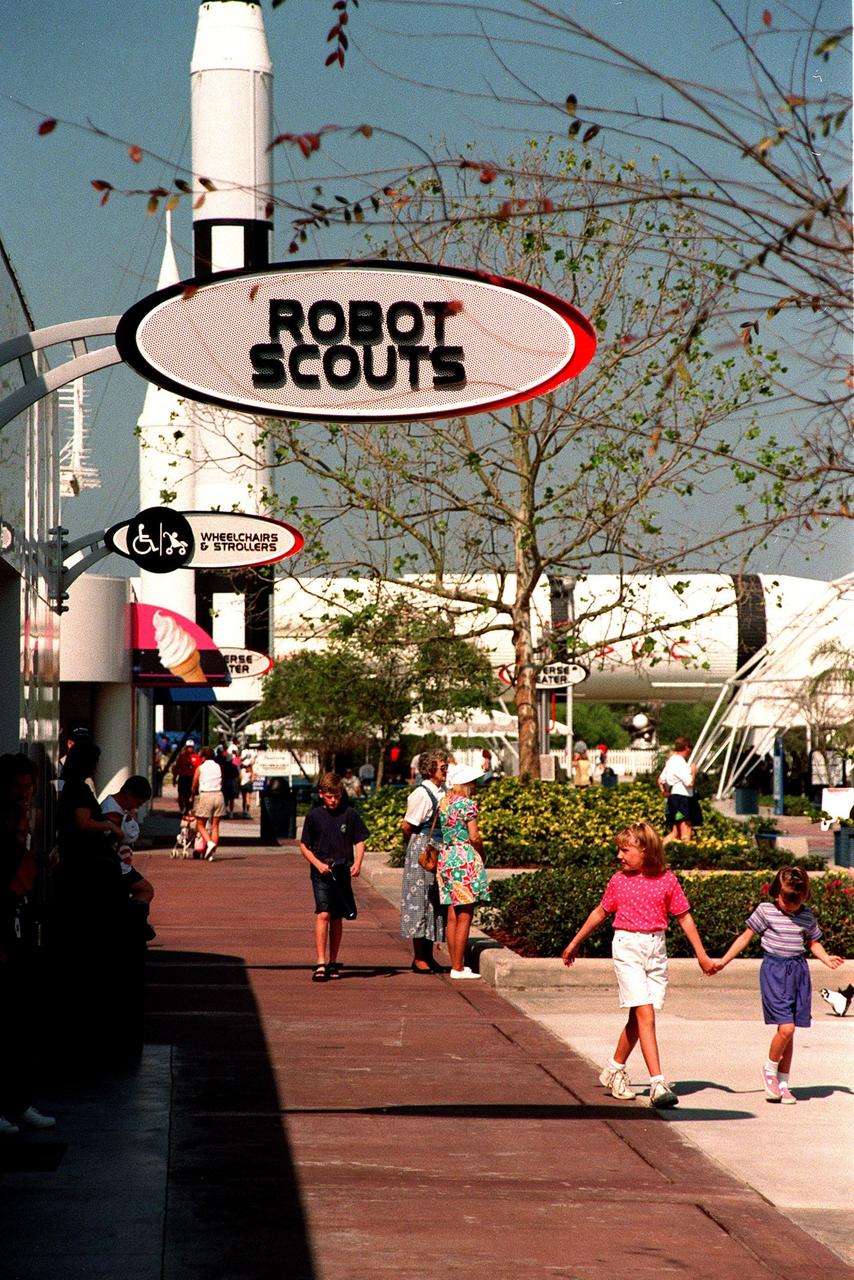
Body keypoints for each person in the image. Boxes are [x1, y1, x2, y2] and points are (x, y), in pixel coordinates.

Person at [561, 821, 715, 1107]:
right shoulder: (619, 881)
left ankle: (614, 1069)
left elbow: (684, 917)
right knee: (646, 1015)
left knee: (638, 1017)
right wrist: (575, 942)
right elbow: (600, 912)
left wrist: (702, 955)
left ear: (645, 850)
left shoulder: (668, 880)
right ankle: (658, 1084)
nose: (619, 856)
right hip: (627, 948)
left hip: (656, 950)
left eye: (625, 850)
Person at [713, 866, 843, 1104]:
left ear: (803, 896)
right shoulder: (766, 911)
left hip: (798, 972)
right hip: (775, 972)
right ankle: (769, 1070)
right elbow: (745, 937)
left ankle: (783, 1082)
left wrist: (826, 958)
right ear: (776, 893)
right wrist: (723, 961)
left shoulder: (806, 915)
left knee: (790, 1030)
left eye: (795, 900)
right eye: (786, 899)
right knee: (787, 1028)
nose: (790, 905)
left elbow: (813, 942)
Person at [0, 755, 56, 1134]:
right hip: (4, 927)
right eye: (18, 787)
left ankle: (17, 1104)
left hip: (18, 926)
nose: (25, 794)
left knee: (19, 1024)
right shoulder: (5, 828)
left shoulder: (24, 825)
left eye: (29, 787)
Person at [299, 772, 367, 982]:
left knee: (337, 916)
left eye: (336, 796)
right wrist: (318, 864)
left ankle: (333, 960)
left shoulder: (350, 814)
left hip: (341, 869)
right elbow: (304, 846)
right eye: (329, 796)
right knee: (323, 913)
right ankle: (320, 961)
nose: (334, 800)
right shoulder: (314, 816)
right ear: (321, 794)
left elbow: (360, 840)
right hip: (321, 870)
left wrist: (357, 862)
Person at [438, 763, 490, 979]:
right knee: (465, 913)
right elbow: (474, 836)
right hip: (463, 859)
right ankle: (458, 968)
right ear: (466, 784)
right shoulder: (467, 805)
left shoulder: (444, 803)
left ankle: (455, 963)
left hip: (446, 857)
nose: (476, 785)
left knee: (452, 914)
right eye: (473, 782)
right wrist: (482, 853)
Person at [399, 749, 449, 973]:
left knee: (434, 903)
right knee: (419, 900)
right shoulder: (421, 794)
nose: (445, 771)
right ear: (430, 770)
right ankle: (419, 956)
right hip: (424, 848)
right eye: (442, 767)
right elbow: (407, 825)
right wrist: (417, 847)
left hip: (439, 848)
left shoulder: (442, 791)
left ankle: (428, 954)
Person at [101, 776, 156, 939]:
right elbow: (119, 836)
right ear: (129, 794)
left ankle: (133, 919)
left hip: (121, 865)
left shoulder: (116, 808)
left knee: (145, 890)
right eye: (137, 803)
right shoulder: (112, 811)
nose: (136, 808)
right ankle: (134, 921)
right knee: (145, 890)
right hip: (117, 867)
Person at [657, 736, 701, 842]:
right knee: (685, 829)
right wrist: (693, 771)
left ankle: (659, 850)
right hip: (682, 800)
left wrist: (664, 792)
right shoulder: (680, 762)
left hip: (674, 799)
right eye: (689, 747)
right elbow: (690, 783)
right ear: (686, 747)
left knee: (675, 832)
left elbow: (660, 780)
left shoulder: (671, 761)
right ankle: (685, 853)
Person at [190, 747, 225, 860]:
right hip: (219, 795)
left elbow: (194, 784)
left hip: (206, 795)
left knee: (200, 824)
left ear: (203, 757)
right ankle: (211, 854)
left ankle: (209, 843)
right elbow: (222, 780)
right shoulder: (219, 767)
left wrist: (192, 795)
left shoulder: (201, 768)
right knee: (215, 825)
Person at [172, 741, 199, 816]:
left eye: (191, 747)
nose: (190, 749)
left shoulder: (196, 757)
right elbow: (176, 768)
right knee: (181, 795)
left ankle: (189, 809)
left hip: (192, 778)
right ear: (186, 747)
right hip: (183, 778)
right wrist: (174, 778)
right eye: (188, 747)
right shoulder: (182, 757)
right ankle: (182, 809)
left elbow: (199, 769)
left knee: (191, 795)